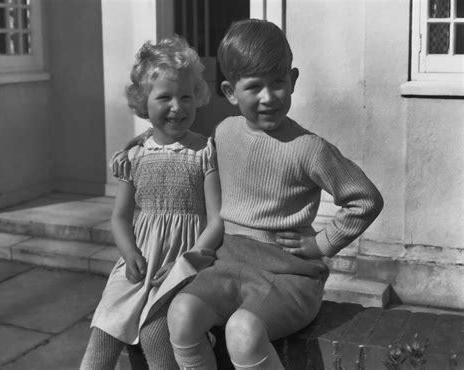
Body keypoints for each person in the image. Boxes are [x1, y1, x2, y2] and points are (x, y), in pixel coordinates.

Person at [166, 19, 384, 370]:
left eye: (278, 83)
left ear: (293, 80)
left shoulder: (308, 148)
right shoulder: (224, 133)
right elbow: (189, 157)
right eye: (254, 87)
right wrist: (145, 144)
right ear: (230, 91)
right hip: (228, 266)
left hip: (289, 279)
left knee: (243, 332)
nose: (268, 98)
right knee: (180, 313)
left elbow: (365, 198)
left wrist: (322, 244)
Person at [80, 36, 223, 370]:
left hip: (185, 262)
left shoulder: (205, 153)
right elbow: (119, 217)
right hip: (141, 257)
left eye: (186, 96)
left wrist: (187, 263)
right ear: (144, 102)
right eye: (165, 97)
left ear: (198, 97)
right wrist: (129, 254)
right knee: (105, 324)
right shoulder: (134, 157)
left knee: (155, 332)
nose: (178, 106)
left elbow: (217, 219)